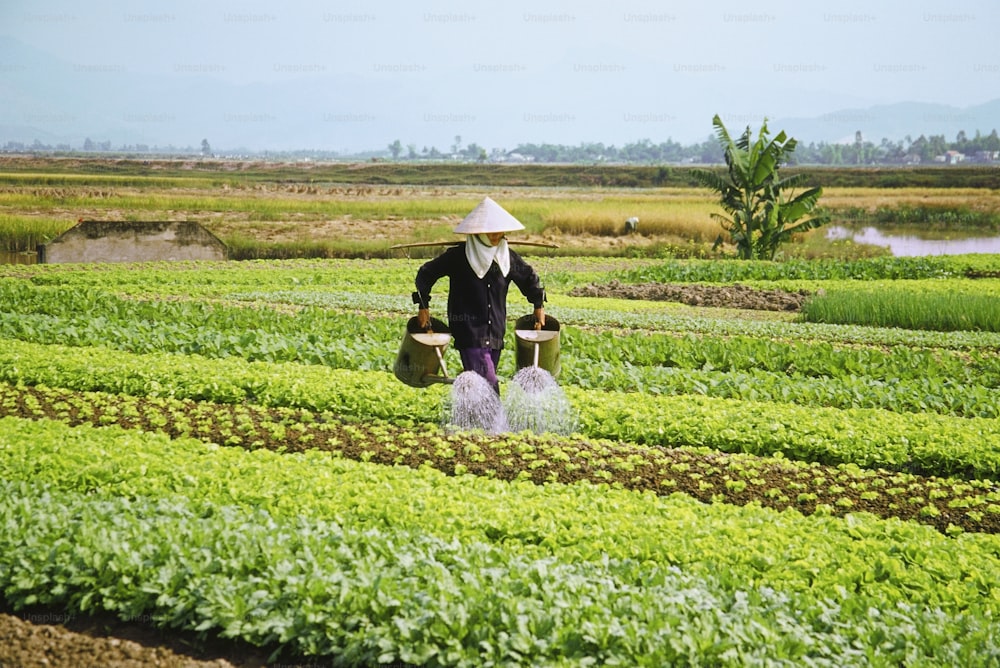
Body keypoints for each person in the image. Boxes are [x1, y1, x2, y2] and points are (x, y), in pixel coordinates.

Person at [413, 196, 546, 393]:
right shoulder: (458, 256)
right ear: (478, 232)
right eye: (490, 230)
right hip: (469, 331)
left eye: (498, 230)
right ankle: (496, 422)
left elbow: (529, 280)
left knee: (479, 383)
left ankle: (470, 417)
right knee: (488, 382)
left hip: (496, 331)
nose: (495, 234)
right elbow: (426, 274)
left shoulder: (506, 257)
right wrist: (423, 306)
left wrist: (539, 306)